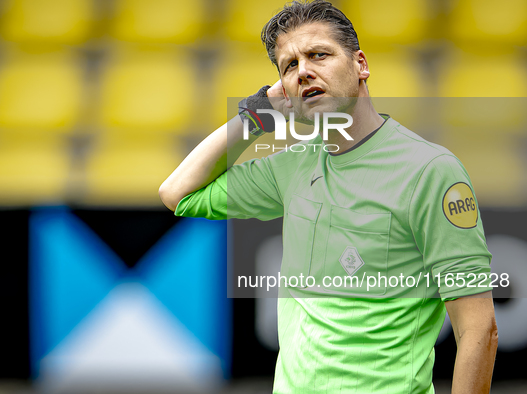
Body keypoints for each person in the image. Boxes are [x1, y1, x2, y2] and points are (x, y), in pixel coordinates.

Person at [159, 0, 498, 393]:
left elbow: (478, 328)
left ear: (361, 65)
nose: (304, 71)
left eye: (319, 54)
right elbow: (177, 193)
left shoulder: (431, 170)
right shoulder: (292, 165)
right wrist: (255, 115)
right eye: (289, 66)